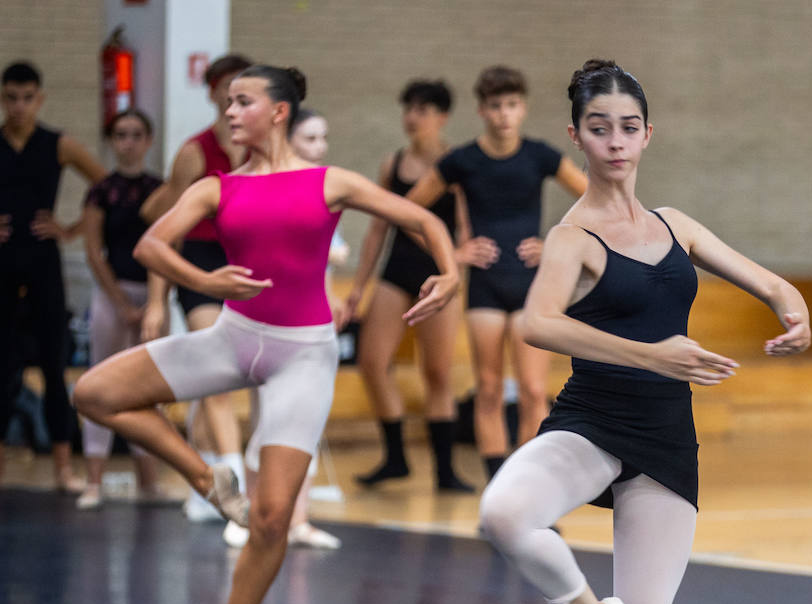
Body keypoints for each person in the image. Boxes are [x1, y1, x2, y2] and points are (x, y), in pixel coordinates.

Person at [478, 60, 809, 604]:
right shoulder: (572, 237)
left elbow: (758, 273)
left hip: (666, 442)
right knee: (505, 511)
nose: (616, 141)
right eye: (601, 128)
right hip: (593, 420)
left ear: (647, 134)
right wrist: (649, 354)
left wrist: (786, 298)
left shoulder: (673, 223)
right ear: (578, 138)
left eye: (630, 126)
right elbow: (537, 322)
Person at [73, 65, 460, 604]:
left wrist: (447, 273)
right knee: (95, 393)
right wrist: (206, 283)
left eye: (242, 102)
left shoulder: (328, 181)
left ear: (278, 112)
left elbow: (426, 224)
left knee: (274, 517)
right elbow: (149, 245)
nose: (229, 112)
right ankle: (206, 477)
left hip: (302, 355)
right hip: (231, 338)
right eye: (227, 103)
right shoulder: (215, 188)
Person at [406, 65, 588, 482]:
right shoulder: (463, 160)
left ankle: (530, 487)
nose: (504, 114)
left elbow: (596, 198)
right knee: (488, 389)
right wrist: (453, 254)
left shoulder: (541, 155)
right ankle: (497, 489)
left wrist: (557, 245)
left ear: (522, 109)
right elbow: (411, 212)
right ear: (482, 110)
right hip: (486, 287)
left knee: (533, 391)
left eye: (512, 105)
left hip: (531, 286)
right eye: (495, 106)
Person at [226, 107, 347, 550]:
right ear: (287, 139)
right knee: (268, 423)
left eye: (323, 138)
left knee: (307, 425)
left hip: (315, 326)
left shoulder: (326, 191)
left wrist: (335, 300)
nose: (319, 148)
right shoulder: (273, 191)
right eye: (310, 139)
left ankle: (298, 519)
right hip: (271, 327)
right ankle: (251, 513)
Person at [140, 53, 254, 524]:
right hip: (202, 263)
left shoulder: (262, 148)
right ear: (211, 93)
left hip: (246, 262)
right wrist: (155, 300)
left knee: (223, 383)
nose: (231, 97)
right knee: (219, 373)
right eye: (223, 87)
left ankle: (202, 481)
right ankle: (234, 487)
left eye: (241, 88)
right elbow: (164, 228)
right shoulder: (194, 151)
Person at [345, 79, 472, 492]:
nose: (412, 118)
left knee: (436, 373)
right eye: (408, 109)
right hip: (395, 272)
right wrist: (358, 287)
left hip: (439, 276)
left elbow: (469, 229)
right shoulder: (393, 162)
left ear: (442, 117)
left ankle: (445, 471)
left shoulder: (456, 164)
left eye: (422, 110)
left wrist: (460, 264)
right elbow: (378, 228)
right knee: (371, 362)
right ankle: (396, 457)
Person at [0, 60, 106, 490]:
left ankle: (64, 469)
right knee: (2, 369)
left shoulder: (59, 144)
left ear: (39, 99)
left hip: (44, 261)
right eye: (11, 98)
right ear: (3, 99)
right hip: (3, 264)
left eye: (27, 98)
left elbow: (105, 185)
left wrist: (70, 230)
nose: (19, 106)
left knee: (53, 363)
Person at [75, 108, 165, 510]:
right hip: (113, 295)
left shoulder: (159, 189)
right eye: (121, 135)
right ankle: (94, 481)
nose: (128, 143)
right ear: (112, 141)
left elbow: (167, 247)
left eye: (136, 135)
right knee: (99, 381)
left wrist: (154, 303)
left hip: (153, 295)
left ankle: (150, 482)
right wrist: (120, 301)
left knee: (150, 388)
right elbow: (94, 251)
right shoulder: (101, 191)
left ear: (148, 141)